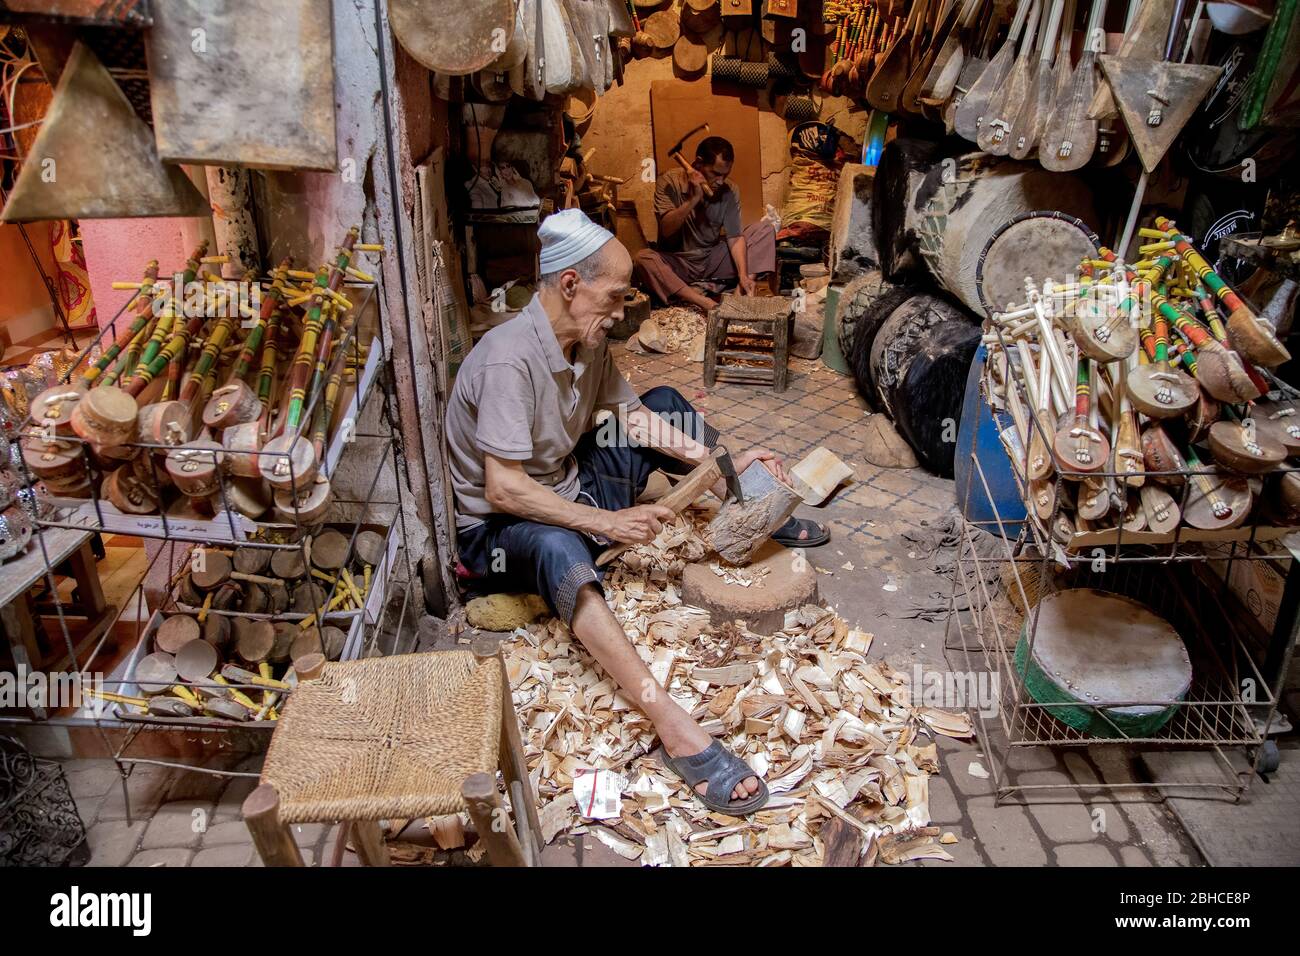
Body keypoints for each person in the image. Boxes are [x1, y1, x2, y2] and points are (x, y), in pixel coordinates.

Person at [446, 208, 829, 816]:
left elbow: (636, 418)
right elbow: (505, 491)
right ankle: (670, 720)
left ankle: (750, 504)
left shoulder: (583, 341)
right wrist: (605, 523)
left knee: (667, 401)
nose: (623, 311)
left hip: (571, 491)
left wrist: (720, 460)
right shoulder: (507, 360)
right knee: (555, 546)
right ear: (571, 285)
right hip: (501, 531)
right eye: (615, 297)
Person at [634, 135, 777, 311]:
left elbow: (734, 237)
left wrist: (743, 275)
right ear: (699, 164)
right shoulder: (669, 181)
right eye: (716, 174)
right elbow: (666, 230)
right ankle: (701, 301)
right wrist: (692, 200)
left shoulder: (729, 190)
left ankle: (742, 288)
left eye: (725, 175)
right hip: (679, 262)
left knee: (764, 229)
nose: (721, 181)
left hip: (710, 259)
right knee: (643, 258)